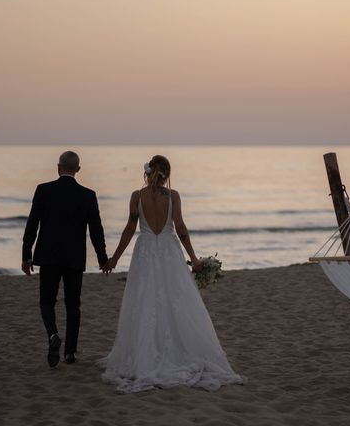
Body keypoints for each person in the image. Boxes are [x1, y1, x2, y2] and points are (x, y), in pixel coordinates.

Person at [98, 155, 242, 393]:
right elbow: (181, 229)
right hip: (168, 250)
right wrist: (194, 259)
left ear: (147, 172)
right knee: (175, 299)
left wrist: (114, 258)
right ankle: (177, 351)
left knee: (145, 300)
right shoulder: (173, 196)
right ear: (168, 174)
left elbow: (129, 228)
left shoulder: (137, 196)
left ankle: (146, 356)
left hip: (145, 251)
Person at [22, 151, 109, 367]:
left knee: (46, 301)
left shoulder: (43, 190)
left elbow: (32, 224)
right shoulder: (88, 195)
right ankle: (70, 353)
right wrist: (102, 258)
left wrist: (26, 255)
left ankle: (52, 334)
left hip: (48, 256)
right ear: (78, 169)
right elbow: (96, 230)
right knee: (73, 305)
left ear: (58, 167)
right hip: (74, 258)